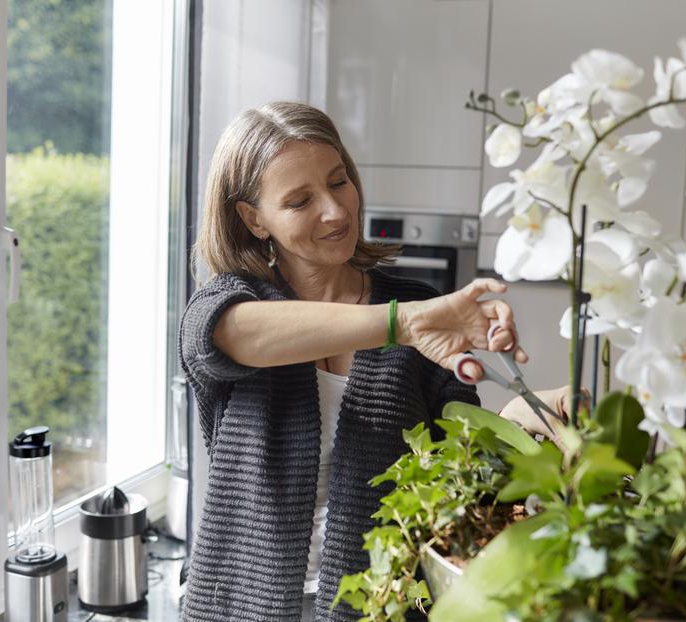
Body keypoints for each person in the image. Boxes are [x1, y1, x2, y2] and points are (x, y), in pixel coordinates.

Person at [178, 101, 569, 622]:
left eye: (338, 182)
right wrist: (403, 324)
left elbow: (456, 461)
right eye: (299, 201)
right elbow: (233, 335)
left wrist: (529, 415)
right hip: (238, 607)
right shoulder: (225, 308)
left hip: (381, 606)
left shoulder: (414, 302)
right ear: (254, 219)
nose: (336, 212)